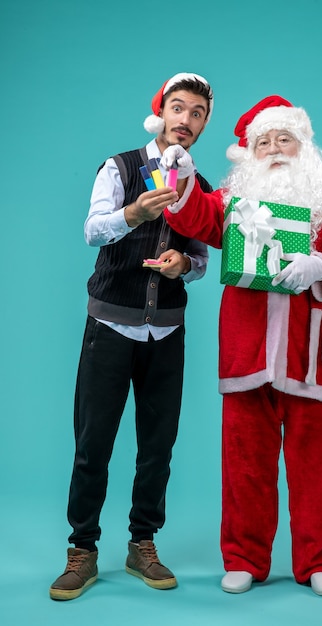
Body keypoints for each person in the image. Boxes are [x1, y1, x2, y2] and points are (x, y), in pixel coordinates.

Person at [159, 95, 322, 596]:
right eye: (264, 142)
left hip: (313, 360)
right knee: (245, 466)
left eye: (284, 139)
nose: (275, 149)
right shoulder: (235, 202)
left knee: (319, 469)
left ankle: (321, 561)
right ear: (248, 152)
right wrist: (182, 178)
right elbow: (193, 220)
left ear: (304, 146)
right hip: (248, 353)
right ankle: (244, 558)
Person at [49, 72, 214, 601]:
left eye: (196, 114)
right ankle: (82, 550)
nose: (185, 120)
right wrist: (133, 213)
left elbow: (205, 261)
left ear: (203, 124)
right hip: (111, 324)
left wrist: (182, 263)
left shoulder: (201, 186)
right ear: (160, 112)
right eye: (178, 108)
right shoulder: (119, 167)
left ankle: (142, 543)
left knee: (157, 447)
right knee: (92, 442)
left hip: (167, 330)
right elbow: (92, 230)